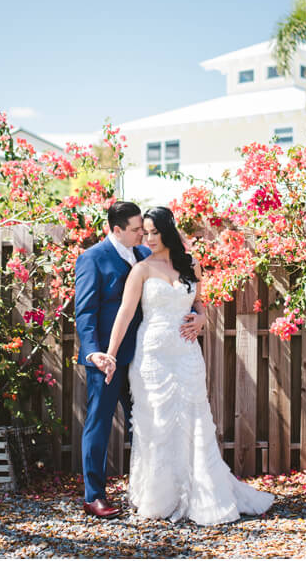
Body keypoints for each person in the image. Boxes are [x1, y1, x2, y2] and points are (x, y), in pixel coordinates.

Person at [99, 206, 274, 525]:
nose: (148, 238)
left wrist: (203, 318)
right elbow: (124, 314)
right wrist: (110, 354)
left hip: (187, 353)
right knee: (158, 424)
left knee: (195, 422)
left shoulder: (191, 263)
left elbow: (199, 303)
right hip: (152, 357)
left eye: (154, 231)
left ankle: (206, 493)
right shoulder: (141, 269)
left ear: (168, 230)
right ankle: (160, 498)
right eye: (145, 232)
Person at [74, 201, 206, 519]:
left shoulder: (148, 256)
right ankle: (94, 496)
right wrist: (95, 353)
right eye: (136, 230)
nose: (143, 235)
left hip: (148, 358)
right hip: (108, 359)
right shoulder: (92, 259)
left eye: (145, 230)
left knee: (150, 425)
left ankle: (155, 491)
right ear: (116, 230)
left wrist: (199, 319)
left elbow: (186, 294)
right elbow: (86, 312)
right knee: (99, 423)